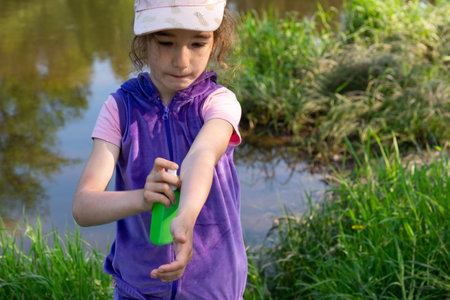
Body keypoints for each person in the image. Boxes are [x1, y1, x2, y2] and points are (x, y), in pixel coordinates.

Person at [72, 0, 247, 299]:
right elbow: (83, 207)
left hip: (213, 287)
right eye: (166, 42)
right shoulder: (119, 109)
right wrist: (143, 198)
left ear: (216, 42)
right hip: (138, 290)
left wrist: (185, 219)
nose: (182, 60)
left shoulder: (220, 103)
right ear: (144, 41)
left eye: (197, 43)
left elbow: (202, 157)